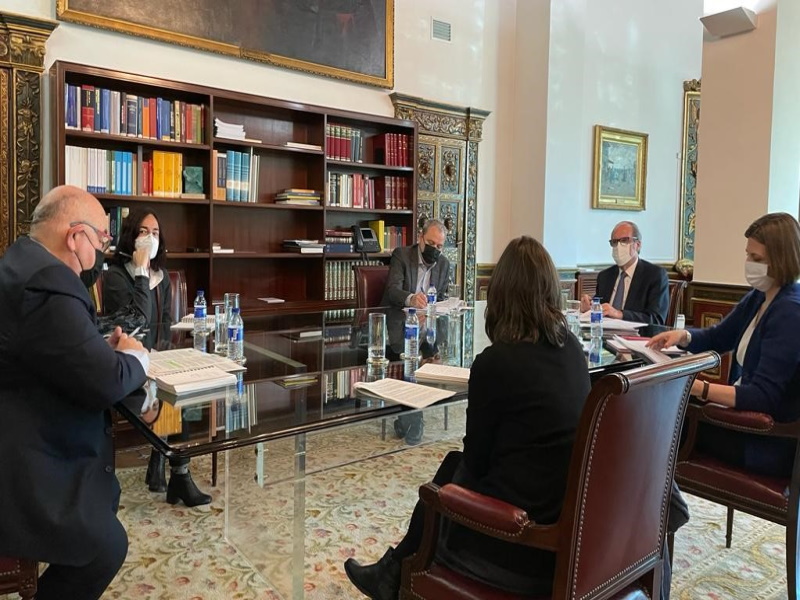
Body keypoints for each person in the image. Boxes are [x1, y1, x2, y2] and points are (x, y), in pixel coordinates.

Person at [345, 236, 591, 599]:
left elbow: (476, 462)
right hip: (565, 517)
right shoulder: (571, 349)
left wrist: (444, 492)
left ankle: (395, 571)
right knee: (450, 464)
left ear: (500, 294)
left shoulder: (496, 363)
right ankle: (392, 569)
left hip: (517, 538)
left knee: (443, 482)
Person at [0, 185, 149, 600]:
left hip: (23, 417)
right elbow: (105, 383)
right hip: (22, 453)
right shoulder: (51, 283)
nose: (103, 249)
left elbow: (47, 346)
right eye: (101, 239)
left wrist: (93, 349)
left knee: (102, 503)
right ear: (74, 237)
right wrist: (138, 360)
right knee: (104, 544)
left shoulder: (22, 261)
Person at [648, 212, 800, 478]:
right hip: (740, 422)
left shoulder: (790, 312)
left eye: (757, 259)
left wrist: (698, 388)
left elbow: (763, 396)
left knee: (655, 424)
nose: (749, 264)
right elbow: (720, 337)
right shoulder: (759, 297)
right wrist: (683, 336)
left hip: (763, 440)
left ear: (781, 259)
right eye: (748, 255)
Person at [104, 207, 212, 507]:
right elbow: (135, 323)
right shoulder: (115, 277)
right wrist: (140, 272)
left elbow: (163, 323)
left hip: (157, 358)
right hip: (127, 362)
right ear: (130, 237)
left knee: (184, 391)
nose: (149, 238)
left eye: (155, 233)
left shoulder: (161, 278)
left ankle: (178, 474)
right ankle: (161, 462)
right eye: (142, 232)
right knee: (161, 393)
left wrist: (164, 356)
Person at [381, 219, 452, 445]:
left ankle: (405, 419)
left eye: (440, 247)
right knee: (409, 359)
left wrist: (441, 307)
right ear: (421, 238)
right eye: (431, 243)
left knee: (433, 359)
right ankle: (415, 420)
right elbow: (392, 291)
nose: (435, 250)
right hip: (398, 326)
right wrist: (412, 298)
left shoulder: (443, 264)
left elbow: (441, 297)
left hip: (428, 329)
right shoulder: (402, 255)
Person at [580, 221, 669, 325]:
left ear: (638, 245)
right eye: (614, 242)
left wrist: (619, 314)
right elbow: (599, 307)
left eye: (624, 240)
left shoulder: (654, 275)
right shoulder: (605, 276)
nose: (618, 246)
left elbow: (656, 319)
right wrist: (589, 307)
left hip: (637, 338)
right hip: (605, 334)